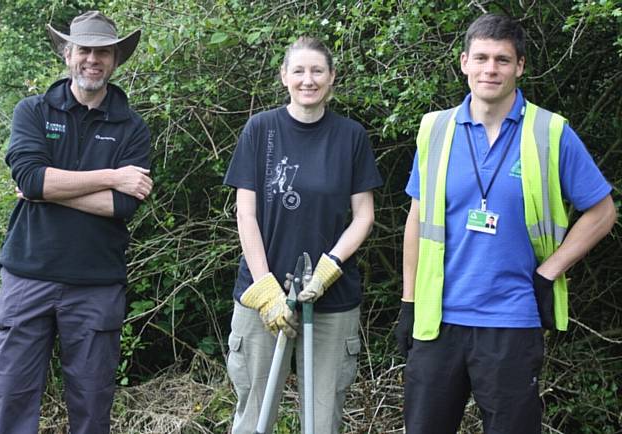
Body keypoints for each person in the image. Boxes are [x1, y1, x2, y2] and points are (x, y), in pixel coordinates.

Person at [395, 13, 616, 434]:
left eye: (501, 59)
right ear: (463, 63)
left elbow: (603, 211)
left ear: (520, 66)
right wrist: (408, 301)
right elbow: (417, 218)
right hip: (437, 321)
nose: (489, 69)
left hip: (511, 321)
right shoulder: (435, 129)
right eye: (480, 58)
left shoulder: (551, 132)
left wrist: (550, 271)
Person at [0, 11, 152, 434]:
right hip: (28, 278)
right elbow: (31, 179)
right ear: (67, 53)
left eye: (103, 52)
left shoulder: (132, 127)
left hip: (97, 284)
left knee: (92, 407)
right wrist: (113, 176)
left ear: (115, 59)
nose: (92, 59)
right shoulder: (34, 111)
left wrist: (51, 188)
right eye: (84, 50)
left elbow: (122, 207)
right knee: (9, 402)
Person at [224, 37, 383, 434]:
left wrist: (330, 267)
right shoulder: (260, 129)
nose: (307, 80)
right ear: (284, 77)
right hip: (261, 299)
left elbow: (364, 215)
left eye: (317, 71)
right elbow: (246, 213)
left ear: (331, 78)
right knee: (254, 416)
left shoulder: (351, 136)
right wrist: (265, 289)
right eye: (298, 70)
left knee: (322, 419)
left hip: (332, 300)